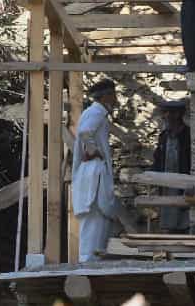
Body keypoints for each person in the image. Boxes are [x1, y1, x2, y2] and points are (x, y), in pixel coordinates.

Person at [72, 78, 119, 262]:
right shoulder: (96, 112)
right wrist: (93, 150)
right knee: (94, 223)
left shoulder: (94, 112)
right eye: (113, 94)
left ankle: (92, 263)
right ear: (106, 96)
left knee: (97, 226)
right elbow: (85, 132)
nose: (115, 99)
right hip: (94, 174)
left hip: (94, 173)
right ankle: (88, 265)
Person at [151, 99, 191, 233]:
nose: (167, 116)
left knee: (182, 215)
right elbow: (157, 159)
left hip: (182, 182)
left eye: (171, 113)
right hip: (166, 183)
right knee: (167, 214)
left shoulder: (187, 135)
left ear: (179, 115)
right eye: (166, 113)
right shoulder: (163, 136)